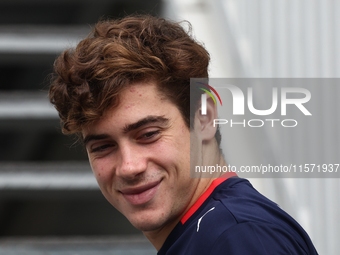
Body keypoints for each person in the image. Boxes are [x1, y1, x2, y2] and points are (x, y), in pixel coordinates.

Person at [49, 15, 318, 254]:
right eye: (103, 147)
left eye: (148, 134)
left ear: (205, 118)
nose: (129, 166)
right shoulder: (214, 232)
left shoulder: (238, 236)